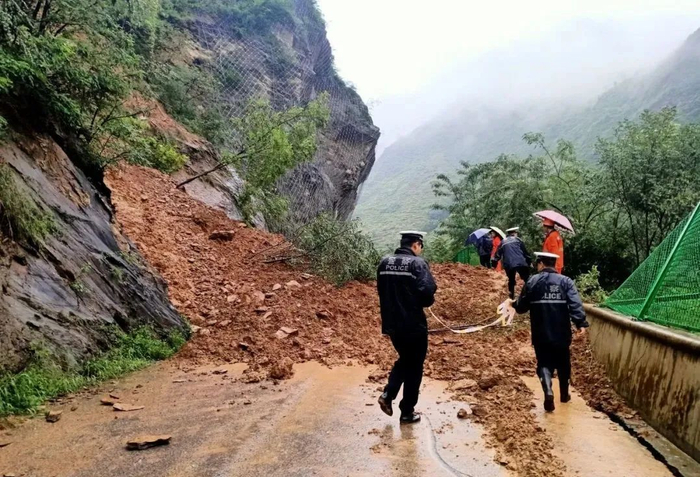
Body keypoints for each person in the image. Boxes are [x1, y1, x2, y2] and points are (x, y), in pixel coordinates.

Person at [507, 252, 588, 412]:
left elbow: (522, 307)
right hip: (561, 333)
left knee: (544, 363)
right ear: (554, 264)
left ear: (541, 264)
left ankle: (548, 391)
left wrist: (513, 303)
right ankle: (564, 395)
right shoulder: (566, 281)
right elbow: (575, 303)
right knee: (563, 363)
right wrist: (580, 323)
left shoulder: (532, 281)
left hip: (541, 332)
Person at [377, 231, 438, 424]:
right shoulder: (417, 264)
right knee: (415, 366)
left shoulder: (384, 263)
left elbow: (381, 291)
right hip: (413, 324)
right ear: (416, 244)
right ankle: (407, 411)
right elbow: (427, 293)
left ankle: (388, 395)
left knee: (406, 359)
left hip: (392, 324)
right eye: (420, 247)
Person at [493, 227, 531, 299]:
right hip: (521, 262)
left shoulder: (503, 242)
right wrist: (529, 262)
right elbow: (525, 253)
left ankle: (511, 297)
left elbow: (497, 255)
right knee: (527, 279)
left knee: (511, 280)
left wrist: (494, 264)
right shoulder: (518, 240)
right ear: (514, 233)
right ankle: (529, 295)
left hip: (509, 264)